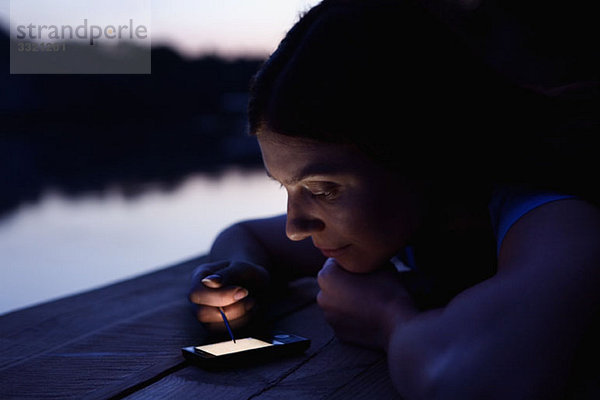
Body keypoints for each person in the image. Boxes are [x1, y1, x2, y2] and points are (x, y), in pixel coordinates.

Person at [189, 0, 600, 398]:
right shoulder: (415, 216)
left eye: (323, 190)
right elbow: (246, 236)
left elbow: (462, 379)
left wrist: (386, 316)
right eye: (286, 188)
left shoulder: (558, 219)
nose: (295, 228)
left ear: (420, 153)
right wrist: (244, 276)